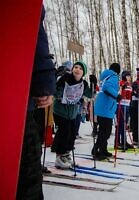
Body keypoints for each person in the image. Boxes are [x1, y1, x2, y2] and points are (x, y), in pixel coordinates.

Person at [16, 5, 56, 199]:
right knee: (25, 174)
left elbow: (34, 36)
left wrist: (43, 83)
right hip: (15, 101)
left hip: (19, 99)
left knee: (26, 174)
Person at [52, 61, 91, 168]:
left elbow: (90, 95)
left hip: (73, 112)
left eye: (80, 68)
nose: (77, 70)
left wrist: (93, 85)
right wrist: (56, 80)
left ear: (83, 73)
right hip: (60, 111)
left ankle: (66, 155)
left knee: (72, 134)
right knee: (64, 132)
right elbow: (55, 92)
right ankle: (59, 157)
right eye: (75, 67)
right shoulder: (65, 78)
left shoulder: (84, 84)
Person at [92, 63, 121, 160]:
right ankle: (96, 150)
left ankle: (103, 149)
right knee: (106, 131)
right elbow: (106, 88)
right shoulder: (114, 76)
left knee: (103, 130)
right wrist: (116, 96)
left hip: (101, 106)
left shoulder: (105, 76)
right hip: (106, 107)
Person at [117, 70, 134, 150]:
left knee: (125, 124)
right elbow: (117, 92)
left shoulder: (129, 84)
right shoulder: (121, 83)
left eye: (129, 76)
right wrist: (121, 88)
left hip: (127, 105)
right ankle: (118, 142)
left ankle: (124, 141)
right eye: (127, 76)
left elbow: (131, 94)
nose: (129, 77)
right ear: (124, 76)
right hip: (121, 104)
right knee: (121, 124)